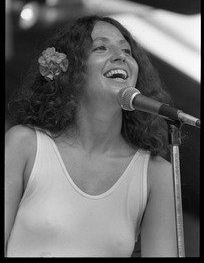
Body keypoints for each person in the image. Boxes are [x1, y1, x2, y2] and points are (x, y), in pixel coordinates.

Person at [5, 15, 178, 257]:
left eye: (127, 51)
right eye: (101, 47)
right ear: (72, 70)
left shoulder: (155, 173)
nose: (121, 56)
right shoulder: (24, 145)